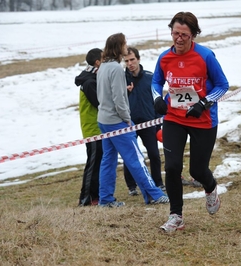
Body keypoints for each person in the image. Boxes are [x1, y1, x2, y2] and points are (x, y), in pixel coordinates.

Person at [152, 12, 229, 232]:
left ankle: (211, 187)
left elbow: (223, 86)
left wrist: (204, 103)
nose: (179, 38)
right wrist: (157, 98)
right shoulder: (164, 57)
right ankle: (176, 216)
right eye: (175, 33)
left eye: (184, 34)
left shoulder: (205, 56)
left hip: (203, 120)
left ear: (193, 35)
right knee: (173, 166)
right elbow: (156, 81)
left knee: (198, 169)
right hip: (174, 118)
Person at [96, 33, 169, 207]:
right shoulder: (115, 69)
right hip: (116, 122)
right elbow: (119, 99)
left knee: (108, 160)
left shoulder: (103, 67)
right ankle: (154, 195)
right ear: (118, 46)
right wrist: (127, 119)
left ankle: (105, 199)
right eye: (124, 43)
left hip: (104, 120)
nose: (126, 46)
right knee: (135, 158)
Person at [123, 46, 165, 196]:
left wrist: (158, 122)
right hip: (130, 124)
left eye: (132, 59)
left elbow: (157, 100)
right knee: (130, 156)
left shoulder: (150, 77)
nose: (130, 63)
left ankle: (158, 182)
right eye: (126, 61)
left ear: (138, 59)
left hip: (149, 122)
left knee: (154, 154)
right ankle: (131, 186)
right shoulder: (121, 79)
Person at [74, 48, 103, 206]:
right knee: (92, 164)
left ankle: (95, 196)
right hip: (93, 129)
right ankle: (85, 198)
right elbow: (99, 103)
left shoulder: (93, 78)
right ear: (98, 62)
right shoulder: (90, 81)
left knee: (98, 163)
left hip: (97, 128)